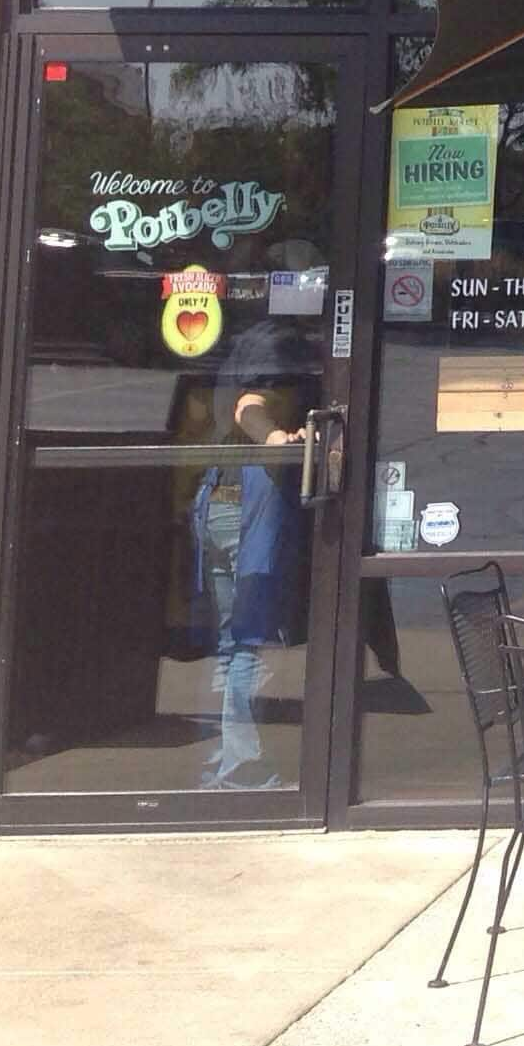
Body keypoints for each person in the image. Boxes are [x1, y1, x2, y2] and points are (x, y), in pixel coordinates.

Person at [187, 317, 316, 789]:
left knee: (229, 642)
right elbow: (251, 407)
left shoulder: (235, 356)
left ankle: (225, 753)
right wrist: (279, 439)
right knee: (249, 642)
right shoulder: (275, 357)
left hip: (214, 504)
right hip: (246, 511)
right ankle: (241, 764)